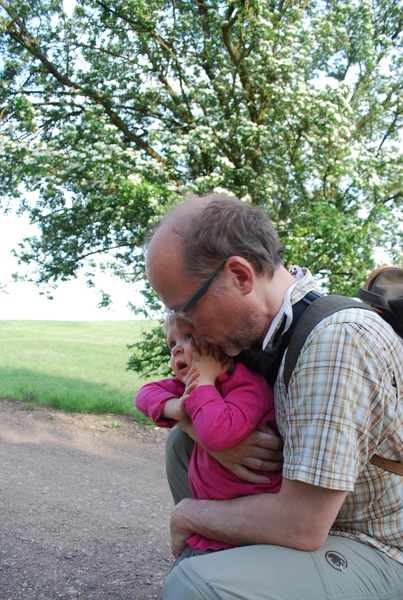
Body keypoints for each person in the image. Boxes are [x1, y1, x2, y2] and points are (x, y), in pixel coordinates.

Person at [144, 193, 403, 600]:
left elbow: (302, 524)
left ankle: (207, 574)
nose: (184, 329)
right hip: (319, 519)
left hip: (377, 544)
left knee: (195, 587)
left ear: (240, 276)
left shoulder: (335, 341)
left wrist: (189, 515)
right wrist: (213, 438)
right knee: (182, 444)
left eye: (185, 310)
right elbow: (179, 402)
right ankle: (218, 564)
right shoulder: (258, 333)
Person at [135, 316, 282, 560]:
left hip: (249, 515)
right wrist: (175, 408)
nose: (177, 348)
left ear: (219, 341)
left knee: (195, 572)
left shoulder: (247, 385)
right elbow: (144, 394)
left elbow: (216, 435)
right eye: (172, 343)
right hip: (216, 508)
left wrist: (204, 383)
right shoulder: (189, 384)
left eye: (188, 337)